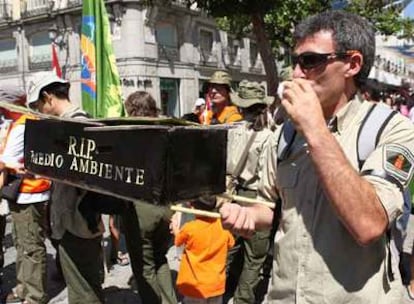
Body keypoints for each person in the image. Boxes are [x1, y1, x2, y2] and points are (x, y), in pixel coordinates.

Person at [219, 10, 414, 303]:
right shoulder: (286, 133)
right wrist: (247, 215)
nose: (297, 73)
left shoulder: (389, 128)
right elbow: (271, 206)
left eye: (310, 61)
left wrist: (315, 128)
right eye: (295, 61)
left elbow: (368, 225)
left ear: (352, 64)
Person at [26, 72, 106, 304]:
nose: (38, 110)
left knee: (83, 290)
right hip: (70, 220)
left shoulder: (77, 124)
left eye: (38, 104)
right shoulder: (63, 125)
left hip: (78, 221)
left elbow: (84, 175)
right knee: (83, 285)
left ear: (48, 97)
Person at [122, 90, 178, 304]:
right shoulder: (168, 130)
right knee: (160, 258)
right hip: (165, 205)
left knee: (144, 267)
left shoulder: (129, 134)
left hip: (140, 208)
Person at [224, 80, 275, 304]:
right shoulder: (269, 136)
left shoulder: (234, 130)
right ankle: (243, 300)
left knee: (230, 247)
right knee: (255, 258)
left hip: (234, 194)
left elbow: (227, 165)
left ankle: (217, 289)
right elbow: (267, 177)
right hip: (257, 198)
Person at [0, 87, 51, 304]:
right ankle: (23, 288)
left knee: (30, 246)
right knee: (23, 244)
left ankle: (34, 296)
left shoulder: (23, 125)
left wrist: (5, 162)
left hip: (29, 193)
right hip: (26, 192)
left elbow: (7, 158)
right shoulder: (24, 121)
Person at [170, 200, 234, 304]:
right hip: (216, 284)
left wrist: (175, 227)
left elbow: (178, 241)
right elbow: (231, 243)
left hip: (195, 286)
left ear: (193, 208)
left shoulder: (190, 228)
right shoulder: (223, 226)